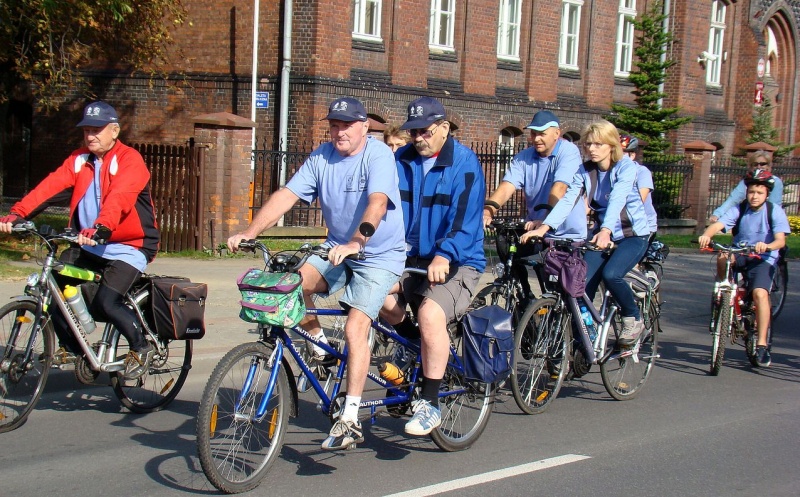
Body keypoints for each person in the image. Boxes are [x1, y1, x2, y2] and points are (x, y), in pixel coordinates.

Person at [226, 96, 406, 451]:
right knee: (291, 286)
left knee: (357, 324)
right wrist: (251, 231)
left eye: (346, 125)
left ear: (364, 126)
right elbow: (286, 195)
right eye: (334, 125)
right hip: (337, 247)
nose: (339, 132)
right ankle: (321, 349)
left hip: (378, 253)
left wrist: (358, 240)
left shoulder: (378, 154)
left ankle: (350, 418)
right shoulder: (322, 156)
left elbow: (378, 202)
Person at [0, 101, 160, 380]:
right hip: (90, 242)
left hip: (129, 245)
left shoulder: (129, 159)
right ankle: (76, 349)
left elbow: (120, 196)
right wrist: (17, 214)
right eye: (86, 130)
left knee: (106, 303)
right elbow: (48, 188)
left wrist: (101, 227)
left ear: (115, 131)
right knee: (56, 286)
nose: (90, 136)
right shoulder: (79, 160)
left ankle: (141, 346)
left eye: (97, 130)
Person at [379, 97, 486, 436]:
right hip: (410, 258)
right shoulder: (402, 159)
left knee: (430, 314)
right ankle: (416, 349)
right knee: (376, 298)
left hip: (458, 259)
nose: (418, 139)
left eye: (424, 132)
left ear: (443, 128)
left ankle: (430, 403)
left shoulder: (464, 165)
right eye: (413, 133)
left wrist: (445, 254)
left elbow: (465, 220)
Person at [482, 110, 586, 299]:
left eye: (542, 133)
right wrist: (488, 211)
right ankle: (525, 298)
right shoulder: (524, 157)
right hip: (535, 226)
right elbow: (507, 187)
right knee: (507, 243)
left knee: (561, 292)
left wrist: (544, 220)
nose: (536, 138)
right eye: (533, 133)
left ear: (557, 133)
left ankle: (563, 317)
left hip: (564, 232)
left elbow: (560, 188)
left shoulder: (568, 151)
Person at [698, 169, 789, 367]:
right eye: (751, 192)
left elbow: (780, 240)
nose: (754, 196)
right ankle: (723, 287)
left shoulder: (774, 211)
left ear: (766, 194)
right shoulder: (740, 209)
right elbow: (719, 225)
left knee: (760, 294)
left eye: (759, 192)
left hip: (762, 257)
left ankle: (762, 344)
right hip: (741, 252)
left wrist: (768, 246)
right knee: (723, 256)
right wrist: (707, 234)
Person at [580, 120, 652, 345]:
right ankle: (586, 336)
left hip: (632, 236)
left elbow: (617, 200)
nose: (591, 148)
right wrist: (548, 227)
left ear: (611, 145)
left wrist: (606, 230)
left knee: (611, 274)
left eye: (598, 144)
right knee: (580, 286)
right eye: (588, 144)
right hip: (602, 235)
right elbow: (571, 201)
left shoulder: (626, 167)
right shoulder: (587, 170)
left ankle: (633, 317)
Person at [709, 151, 783, 223]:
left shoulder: (776, 182)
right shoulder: (747, 181)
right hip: (749, 216)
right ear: (751, 167)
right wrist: (717, 214)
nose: (759, 167)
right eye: (755, 164)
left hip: (766, 219)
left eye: (762, 164)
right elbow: (733, 199)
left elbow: (775, 204)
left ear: (768, 166)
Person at [620, 134, 658, 236]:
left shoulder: (641, 172)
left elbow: (640, 199)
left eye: (622, 154)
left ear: (632, 155)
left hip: (642, 226)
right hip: (619, 226)